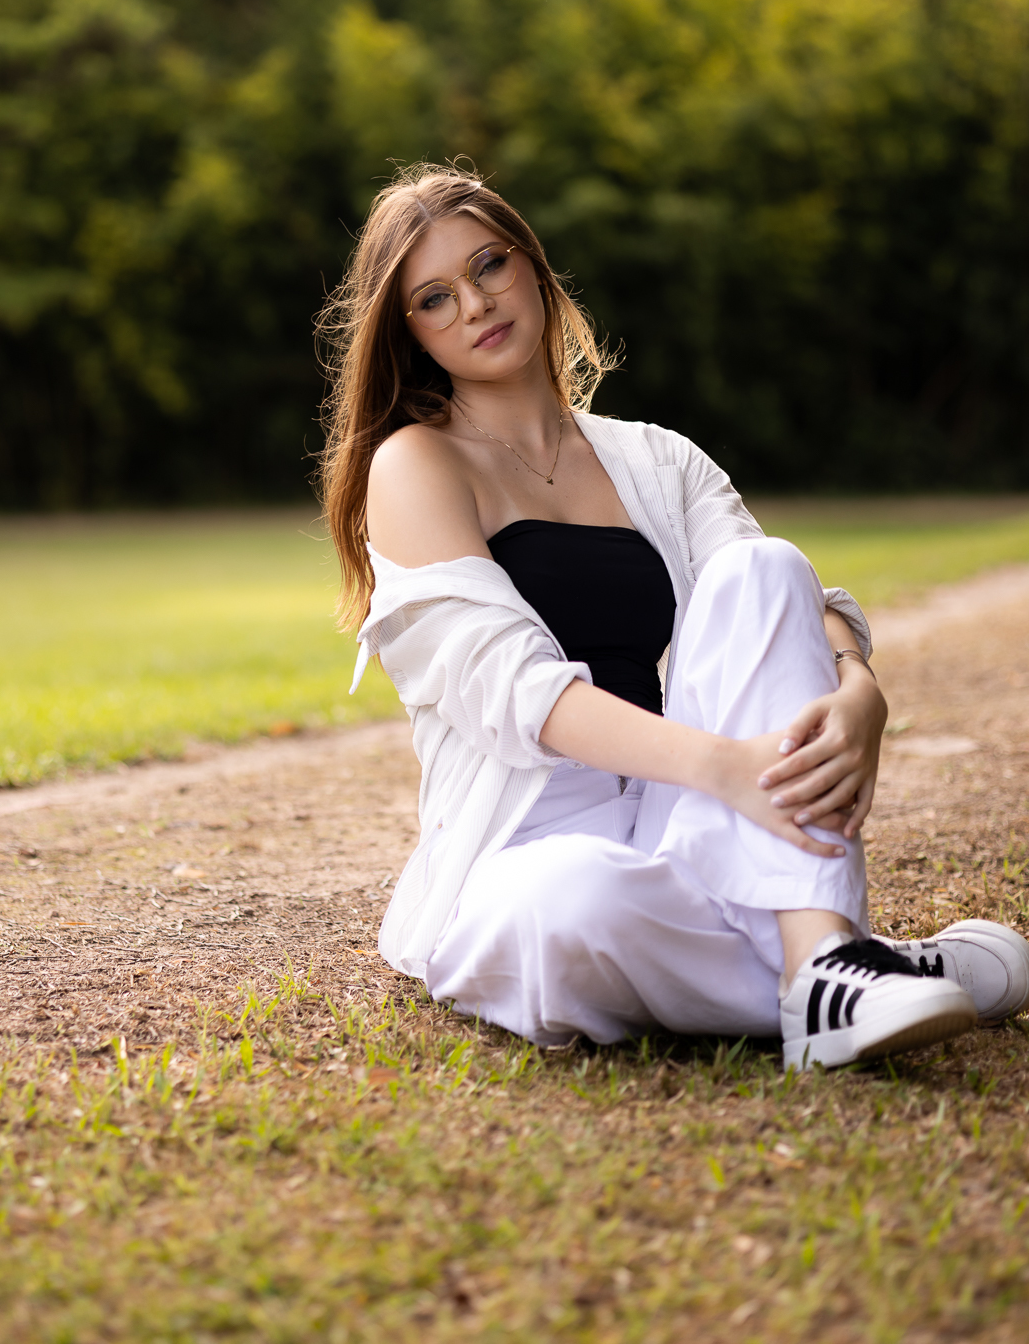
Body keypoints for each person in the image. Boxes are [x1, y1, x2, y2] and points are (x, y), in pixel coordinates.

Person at [317, 162, 1029, 1070]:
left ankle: (820, 963)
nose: (475, 304)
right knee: (568, 906)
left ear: (531, 264)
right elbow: (518, 693)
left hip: (679, 810)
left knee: (764, 564)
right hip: (529, 839)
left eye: (489, 265)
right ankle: (847, 964)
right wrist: (724, 769)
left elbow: (781, 602)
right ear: (411, 332)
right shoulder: (416, 464)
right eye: (434, 298)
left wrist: (861, 689)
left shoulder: (656, 458)